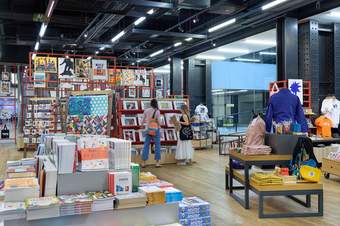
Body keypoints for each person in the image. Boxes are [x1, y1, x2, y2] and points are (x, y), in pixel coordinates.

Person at [141, 99, 162, 167]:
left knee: (146, 145)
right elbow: (159, 122)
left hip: (148, 129)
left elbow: (142, 120)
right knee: (157, 145)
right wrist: (160, 126)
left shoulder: (146, 110)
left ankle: (144, 162)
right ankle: (157, 163)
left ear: (150, 104)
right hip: (156, 130)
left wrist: (142, 126)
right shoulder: (157, 111)